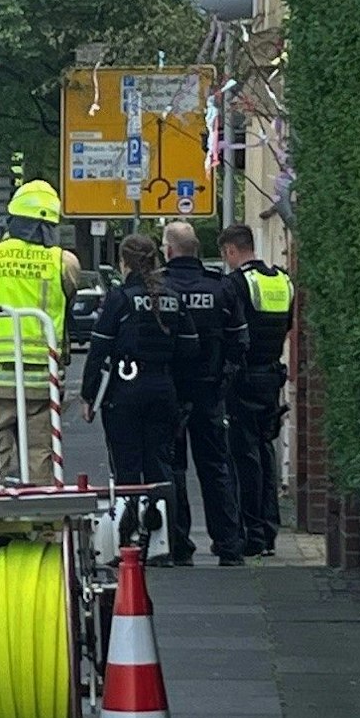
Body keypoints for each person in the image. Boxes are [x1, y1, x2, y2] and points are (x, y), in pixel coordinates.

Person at [0, 180, 82, 484]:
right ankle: (45, 525)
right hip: (40, 378)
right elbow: (68, 302)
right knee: (41, 455)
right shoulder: (63, 263)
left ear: (14, 220)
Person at [81, 235, 201, 555]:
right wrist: (182, 397)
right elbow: (190, 350)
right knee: (161, 469)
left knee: (127, 469)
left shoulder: (120, 299)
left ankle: (129, 542)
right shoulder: (173, 298)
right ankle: (165, 544)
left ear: (125, 263)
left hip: (125, 391)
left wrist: (88, 397)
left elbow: (98, 350)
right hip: (164, 391)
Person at [161, 221, 247, 566]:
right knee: (216, 467)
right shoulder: (221, 288)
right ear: (197, 250)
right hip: (210, 391)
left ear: (168, 250)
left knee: (173, 467)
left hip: (170, 392)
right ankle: (228, 544)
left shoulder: (159, 288)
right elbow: (239, 341)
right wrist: (224, 381)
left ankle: (179, 545)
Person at [219, 223, 294, 556]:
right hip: (272, 377)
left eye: (226, 255)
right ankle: (269, 530)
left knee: (244, 457)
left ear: (232, 251)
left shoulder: (237, 284)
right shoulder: (282, 280)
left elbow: (231, 332)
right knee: (266, 452)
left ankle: (253, 534)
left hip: (243, 380)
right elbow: (288, 327)